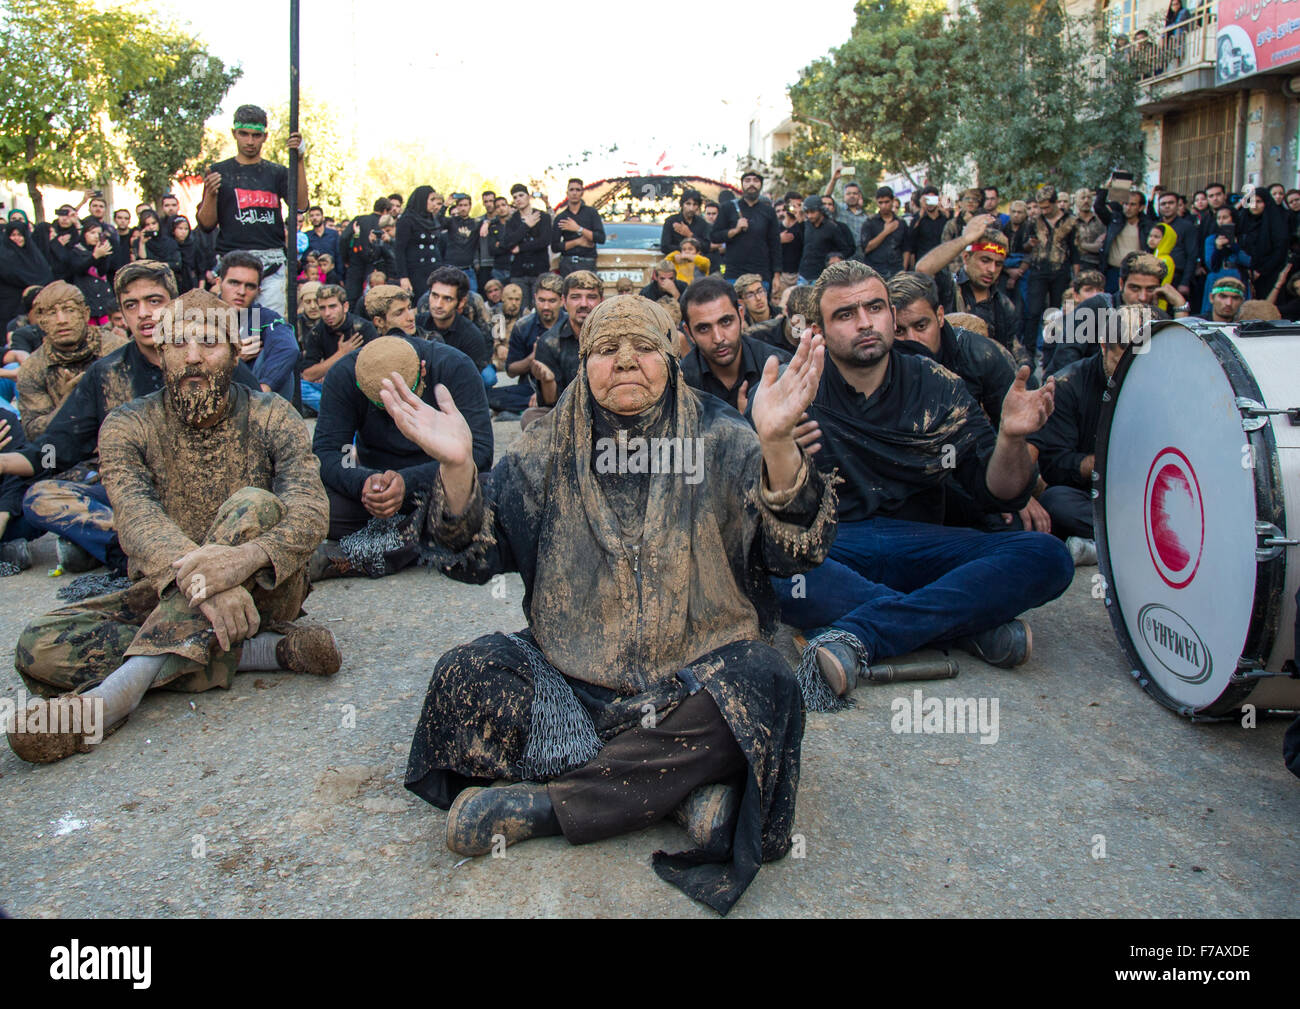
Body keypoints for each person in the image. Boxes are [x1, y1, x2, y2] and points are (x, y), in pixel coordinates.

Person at [391, 293, 836, 915]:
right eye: (605, 350)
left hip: (693, 686)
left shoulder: (726, 438)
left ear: (672, 355)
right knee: (465, 674)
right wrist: (460, 468)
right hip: (572, 682)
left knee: (767, 680)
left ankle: (548, 806)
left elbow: (799, 555)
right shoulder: (543, 451)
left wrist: (780, 445)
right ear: (583, 361)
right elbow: (474, 558)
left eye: (645, 348)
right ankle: (675, 788)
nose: (625, 361)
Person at [8, 289, 338, 765]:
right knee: (37, 648)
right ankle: (264, 652)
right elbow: (137, 520)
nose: (194, 357)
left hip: (263, 589)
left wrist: (239, 561)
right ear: (160, 352)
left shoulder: (272, 414)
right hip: (170, 591)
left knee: (254, 504)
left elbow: (310, 509)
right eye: (179, 343)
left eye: (209, 342)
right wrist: (208, 584)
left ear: (233, 349)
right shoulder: (127, 425)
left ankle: (116, 694)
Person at [766, 260, 1073, 696]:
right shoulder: (793, 388)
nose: (865, 323)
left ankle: (866, 634)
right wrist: (772, 442)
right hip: (833, 549)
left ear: (892, 315)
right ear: (817, 329)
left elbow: (998, 493)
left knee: (1048, 556)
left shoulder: (937, 383)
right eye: (845, 315)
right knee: (774, 568)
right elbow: (767, 512)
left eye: (875, 307)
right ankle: (963, 627)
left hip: (924, 544)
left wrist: (1010, 439)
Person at [0, 262, 262, 574]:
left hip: (213, 496)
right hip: (136, 501)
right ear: (122, 314)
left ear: (176, 306)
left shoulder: (216, 359)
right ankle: (145, 553)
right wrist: (4, 462)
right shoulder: (107, 373)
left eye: (154, 301)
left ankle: (126, 553)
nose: (143, 313)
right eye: (131, 305)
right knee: (40, 498)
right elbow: (56, 449)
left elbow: (260, 441)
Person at [308, 334, 492, 581]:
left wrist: (406, 483)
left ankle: (363, 553)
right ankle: (423, 537)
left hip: (439, 486)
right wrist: (365, 483)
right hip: (376, 491)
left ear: (423, 370)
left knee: (489, 495)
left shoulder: (455, 367)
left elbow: (480, 452)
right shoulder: (344, 374)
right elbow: (329, 452)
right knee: (313, 503)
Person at [885, 271, 1050, 534]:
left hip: (976, 467)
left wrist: (1019, 489)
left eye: (921, 326)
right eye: (899, 331)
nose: (913, 339)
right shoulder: (880, 361)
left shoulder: (983, 355)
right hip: (911, 481)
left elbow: (1025, 434)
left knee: (1016, 525)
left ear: (940, 316)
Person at [1027, 307, 1134, 565]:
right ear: (1104, 346)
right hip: (1094, 498)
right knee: (1056, 501)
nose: (1130, 370)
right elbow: (1055, 466)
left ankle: (1108, 544)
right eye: (1122, 359)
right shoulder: (1068, 384)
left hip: (1147, 494)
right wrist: (1103, 463)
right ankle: (1131, 539)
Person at [195, 105, 307, 318]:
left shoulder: (277, 173)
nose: (249, 141)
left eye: (256, 135)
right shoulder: (220, 171)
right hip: (234, 262)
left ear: (265, 137)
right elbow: (206, 224)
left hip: (271, 266)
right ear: (234, 134)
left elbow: (300, 205)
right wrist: (210, 194)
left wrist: (299, 159)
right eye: (244, 134)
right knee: (233, 330)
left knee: (272, 327)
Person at [15, 282, 126, 439]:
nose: (61, 320)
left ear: (85, 314)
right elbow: (35, 434)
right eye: (52, 313)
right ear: (41, 321)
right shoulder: (33, 368)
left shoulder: (117, 350)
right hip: (67, 454)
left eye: (69, 310)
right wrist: (66, 405)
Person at [1050, 252, 1189, 373]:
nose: (1143, 297)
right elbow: (1065, 358)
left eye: (1150, 289)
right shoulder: (1096, 307)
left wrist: (1180, 306)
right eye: (1135, 288)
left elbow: (1177, 359)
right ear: (1121, 284)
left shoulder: (1158, 317)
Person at [916, 215, 1024, 361]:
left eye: (998, 264)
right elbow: (923, 269)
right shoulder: (947, 286)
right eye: (985, 260)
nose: (991, 269)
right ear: (966, 258)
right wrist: (966, 239)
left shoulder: (1003, 305)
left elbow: (1013, 349)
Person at [679, 276, 793, 411]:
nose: (718, 338)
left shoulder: (780, 367)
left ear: (740, 315)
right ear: (689, 332)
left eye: (726, 322)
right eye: (704, 328)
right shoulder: (681, 384)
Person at [218, 252, 300, 402]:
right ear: (219, 283)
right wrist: (232, 358)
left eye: (250, 286)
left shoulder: (265, 317)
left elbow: (288, 348)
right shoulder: (201, 315)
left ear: (258, 290)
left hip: (252, 398)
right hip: (211, 396)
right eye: (234, 283)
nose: (241, 292)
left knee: (283, 358)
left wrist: (264, 389)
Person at [1022, 185, 1078, 371]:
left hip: (1060, 271)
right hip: (1038, 270)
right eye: (1041, 207)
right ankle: (1028, 353)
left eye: (1047, 207)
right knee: (1033, 311)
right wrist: (1029, 244)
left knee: (1056, 313)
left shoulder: (1070, 222)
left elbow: (1075, 251)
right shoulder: (1034, 221)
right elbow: (1025, 247)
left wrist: (1075, 278)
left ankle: (1052, 352)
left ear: (1055, 203)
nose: (1043, 211)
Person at [300, 284, 379, 411]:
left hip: (358, 387)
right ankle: (337, 409)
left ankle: (336, 410)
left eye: (332, 307)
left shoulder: (363, 328)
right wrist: (340, 355)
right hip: (331, 386)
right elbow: (307, 375)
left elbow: (376, 369)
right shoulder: (316, 332)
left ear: (345, 306)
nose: (327, 313)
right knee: (299, 387)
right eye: (323, 308)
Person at [532, 270, 602, 408]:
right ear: (564, 301)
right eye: (575, 297)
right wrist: (548, 381)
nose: (584, 304)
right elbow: (550, 404)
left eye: (591, 297)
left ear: (601, 300)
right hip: (566, 413)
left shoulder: (616, 337)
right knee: (530, 418)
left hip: (608, 414)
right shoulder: (549, 342)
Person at [712, 170, 782, 290]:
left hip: (761, 274)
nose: (751, 184)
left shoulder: (768, 211)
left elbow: (775, 244)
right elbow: (714, 236)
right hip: (734, 273)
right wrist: (735, 230)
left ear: (761, 185)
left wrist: (776, 275)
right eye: (747, 180)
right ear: (742, 184)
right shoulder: (728, 208)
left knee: (761, 307)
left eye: (755, 181)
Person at [418, 267, 492, 372]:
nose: (438, 304)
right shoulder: (417, 324)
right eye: (434, 295)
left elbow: (468, 380)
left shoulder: (472, 337)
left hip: (457, 382)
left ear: (461, 302)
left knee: (488, 377)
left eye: (447, 299)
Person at [504, 273, 564, 385]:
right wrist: (532, 358)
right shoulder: (522, 326)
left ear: (562, 301)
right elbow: (511, 371)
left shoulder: (570, 325)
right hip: (530, 387)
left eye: (552, 301)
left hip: (565, 390)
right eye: (541, 300)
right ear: (535, 298)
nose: (546, 306)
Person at [500, 185, 551, 310]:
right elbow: (507, 243)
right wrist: (526, 226)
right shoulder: (512, 221)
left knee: (540, 309)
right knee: (520, 311)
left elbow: (544, 241)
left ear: (528, 196)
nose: (518, 199)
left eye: (521, 195)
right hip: (519, 273)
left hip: (539, 270)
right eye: (515, 197)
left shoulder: (542, 217)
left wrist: (521, 248)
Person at [0, 218, 53, 332]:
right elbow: (10, 274)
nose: (17, 238)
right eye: (13, 235)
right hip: (8, 307)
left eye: (20, 235)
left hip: (33, 307)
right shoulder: (4, 256)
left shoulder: (33, 253)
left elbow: (45, 274)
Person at [1096, 184, 1146, 293]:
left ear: (1141, 207)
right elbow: (1098, 206)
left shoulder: (1146, 226)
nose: (1128, 208)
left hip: (1136, 272)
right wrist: (1106, 186)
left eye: (1133, 204)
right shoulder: (1115, 220)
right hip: (1113, 271)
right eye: (1126, 204)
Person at [550, 177, 606, 277]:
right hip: (567, 263)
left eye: (578, 190)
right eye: (571, 190)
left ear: (582, 193)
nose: (574, 193)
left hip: (587, 262)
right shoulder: (561, 217)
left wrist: (578, 229)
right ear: (567, 193)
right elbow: (555, 247)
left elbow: (601, 238)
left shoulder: (591, 213)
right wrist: (578, 242)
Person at [1201, 205, 1250, 311]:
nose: (1222, 221)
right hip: (1217, 276)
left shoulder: (1242, 238)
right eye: (1219, 218)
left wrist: (1233, 246)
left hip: (1237, 276)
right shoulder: (1211, 239)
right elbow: (1211, 265)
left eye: (1225, 217)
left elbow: (1248, 261)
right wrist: (1218, 249)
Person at [798, 195, 853, 284]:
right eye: (807, 212)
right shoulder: (806, 225)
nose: (810, 216)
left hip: (822, 275)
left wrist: (835, 258)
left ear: (820, 210)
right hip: (804, 274)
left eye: (812, 212)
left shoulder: (831, 227)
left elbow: (846, 249)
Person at [861, 186, 908, 279]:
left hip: (896, 270)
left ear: (892, 201)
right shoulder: (870, 222)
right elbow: (866, 248)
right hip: (875, 270)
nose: (884, 206)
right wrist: (886, 232)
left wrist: (904, 269)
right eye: (880, 203)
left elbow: (906, 248)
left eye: (887, 202)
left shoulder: (901, 223)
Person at [660, 188, 711, 256]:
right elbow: (665, 247)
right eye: (688, 204)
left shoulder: (702, 224)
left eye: (695, 204)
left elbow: (706, 247)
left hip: (696, 263)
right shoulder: (671, 221)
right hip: (676, 263)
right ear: (682, 205)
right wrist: (685, 250)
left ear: (698, 207)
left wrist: (690, 235)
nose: (691, 208)